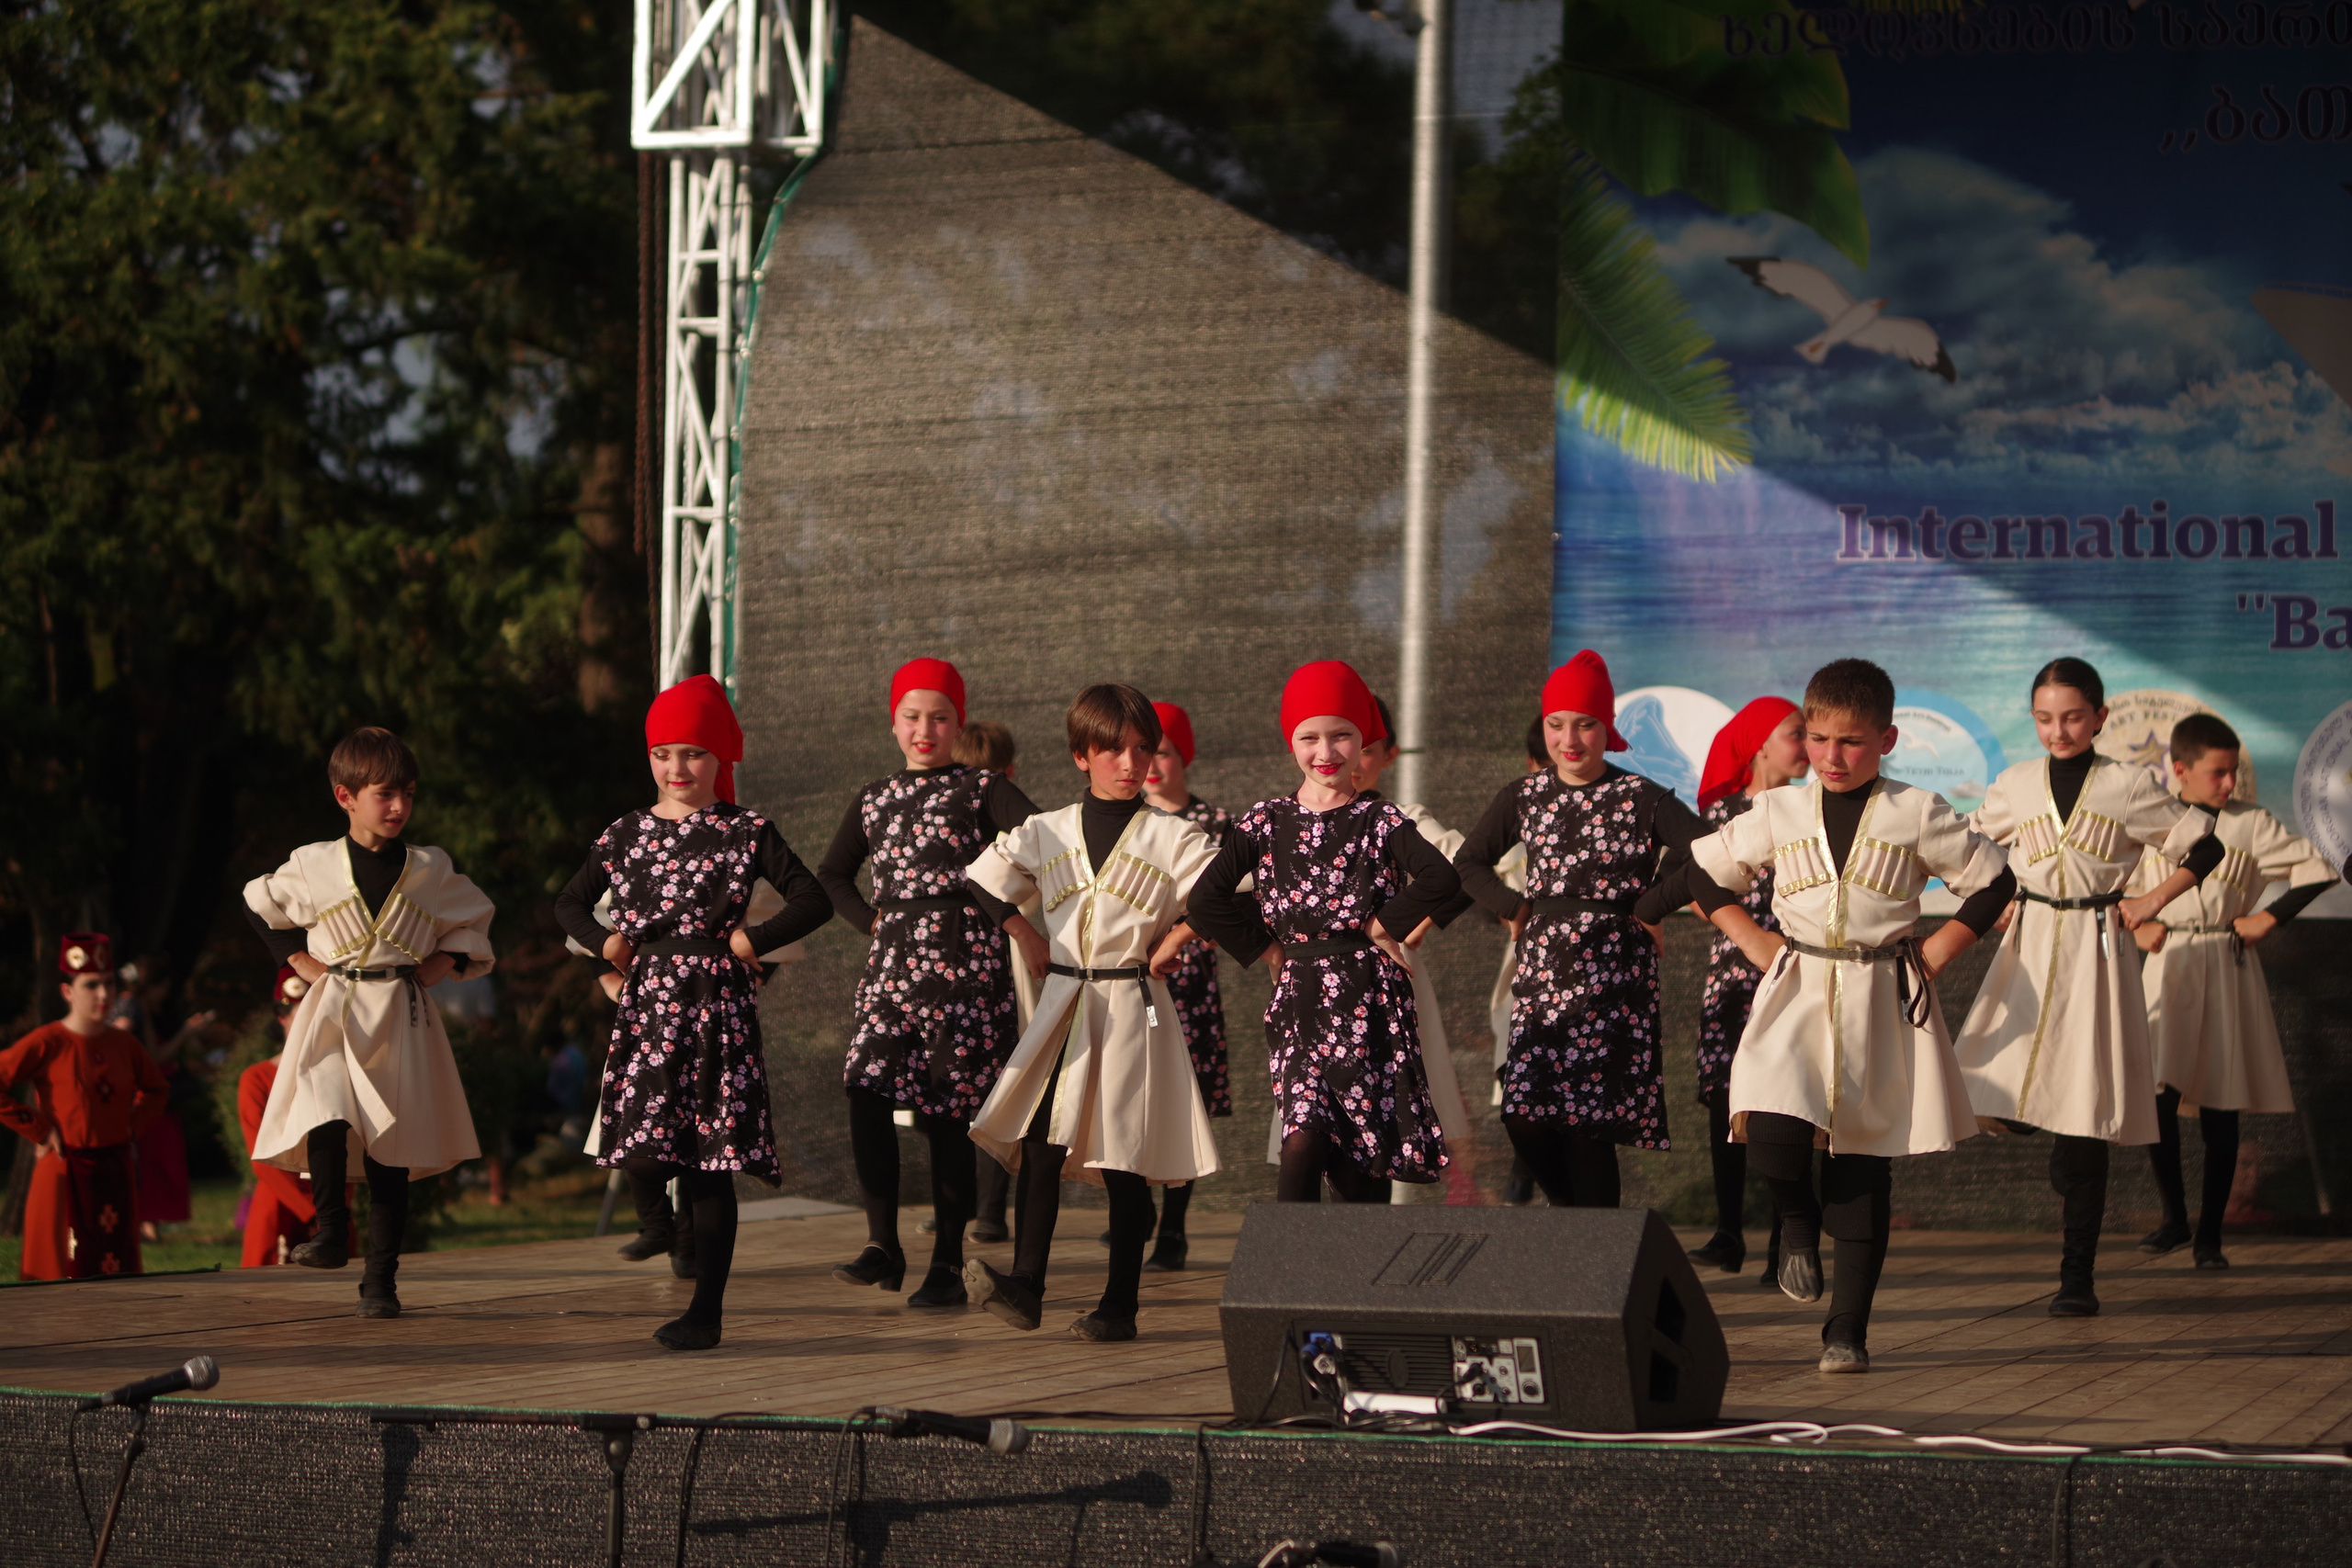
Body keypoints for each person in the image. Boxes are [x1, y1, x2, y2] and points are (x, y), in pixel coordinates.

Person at [1657, 659, 2015, 1374]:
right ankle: (1794, 1217)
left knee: (1859, 1163)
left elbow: (1994, 879)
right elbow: (1703, 871)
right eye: (1817, 738)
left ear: (1885, 739)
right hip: (1796, 987)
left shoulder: (1918, 810)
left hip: (1881, 995)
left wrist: (1941, 947)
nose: (1830, 755)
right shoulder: (1780, 809)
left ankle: (1846, 1328)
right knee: (1769, 1134)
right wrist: (1752, 938)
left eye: (1850, 741)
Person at [555, 675, 832, 1349]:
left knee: (711, 1162)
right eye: (664, 753)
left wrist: (750, 939)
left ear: (720, 760)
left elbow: (813, 898)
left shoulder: (745, 829)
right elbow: (567, 904)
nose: (678, 768)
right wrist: (607, 942)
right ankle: (664, 1227)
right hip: (649, 1002)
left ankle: (705, 1311)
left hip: (715, 1007)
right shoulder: (625, 832)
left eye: (695, 754)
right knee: (646, 1153)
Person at [1952, 660, 2223, 1315]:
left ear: (2100, 717)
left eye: (2072, 716)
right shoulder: (2016, 785)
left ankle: (2078, 1276)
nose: (2058, 729)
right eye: (2045, 717)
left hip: (2098, 952)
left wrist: (2150, 899)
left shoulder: (2128, 785)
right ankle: (2035, 1122)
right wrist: (1993, 904)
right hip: (2030, 941)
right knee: (1985, 1075)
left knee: (2086, 1112)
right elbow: (1959, 848)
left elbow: (2203, 848)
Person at [962, 685, 1222, 1340]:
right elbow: (981, 876)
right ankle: (1026, 1285)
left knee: (1119, 1157)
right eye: (1113, 748)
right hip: (1064, 1003)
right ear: (1082, 754)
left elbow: (1230, 891)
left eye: (1144, 749)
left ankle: (1120, 1305)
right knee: (1041, 1143)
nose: (1131, 762)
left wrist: (1178, 935)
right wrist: (1023, 932)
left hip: (1131, 1004)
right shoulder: (1046, 827)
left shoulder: (1174, 834)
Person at [1187, 660, 1463, 1202]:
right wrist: (1267, 951)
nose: (1326, 752)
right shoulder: (1265, 820)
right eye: (1309, 737)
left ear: (1364, 742)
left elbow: (1443, 877)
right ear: (1291, 742)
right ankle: (1280, 1278)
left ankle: (1357, 1280)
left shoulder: (1380, 820)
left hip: (1369, 1002)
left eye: (1342, 736)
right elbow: (1206, 897)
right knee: (1303, 1136)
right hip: (1300, 999)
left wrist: (1382, 925)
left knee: (1362, 1159)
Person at [245, 727, 497, 1319]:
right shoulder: (313, 863)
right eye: (385, 794)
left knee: (392, 1147)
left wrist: (446, 959)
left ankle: (380, 1281)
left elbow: (475, 916)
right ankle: (331, 1231)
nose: (399, 807)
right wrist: (295, 958)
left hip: (400, 1015)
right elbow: (260, 901)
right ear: (345, 797)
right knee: (325, 1109)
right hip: (333, 1007)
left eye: (408, 793)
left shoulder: (430, 867)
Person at [817, 658, 1040, 1307]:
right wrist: (871, 920)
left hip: (965, 968)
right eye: (912, 717)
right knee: (865, 1086)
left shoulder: (981, 788)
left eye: (939, 717)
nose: (925, 729)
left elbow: (1046, 842)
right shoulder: (875, 795)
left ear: (957, 723)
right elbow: (832, 874)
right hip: (891, 967)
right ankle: (883, 1243)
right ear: (893, 724)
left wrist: (1011, 919)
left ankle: (946, 1262)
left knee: (947, 1113)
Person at [1454, 650, 1705, 1210]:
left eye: (1586, 724)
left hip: (1614, 977)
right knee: (1523, 1116)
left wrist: (1651, 906)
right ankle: (1585, 1231)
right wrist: (1515, 908)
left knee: (1589, 1129)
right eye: (1556, 724)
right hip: (1545, 976)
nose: (1570, 740)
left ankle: (1600, 1262)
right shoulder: (1523, 796)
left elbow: (1707, 850)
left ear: (1607, 727)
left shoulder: (1641, 796)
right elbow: (1469, 863)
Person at [2131, 712, 2350, 1269]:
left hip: (2224, 964)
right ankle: (2174, 1218)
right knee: (2157, 1099)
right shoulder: (2151, 821)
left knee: (2220, 1103)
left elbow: (2319, 867)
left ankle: (2210, 1236)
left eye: (2233, 773)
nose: (2229, 784)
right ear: (2179, 769)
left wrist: (2269, 918)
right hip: (2167, 962)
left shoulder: (2249, 823)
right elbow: (2105, 885)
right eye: (2217, 773)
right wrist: (2137, 922)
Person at [1683, 695, 1808, 1277]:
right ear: (1760, 743)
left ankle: (1787, 1238)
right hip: (1733, 974)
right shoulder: (1722, 818)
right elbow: (1692, 885)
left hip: (1799, 973)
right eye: (1794, 734)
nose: (1807, 746)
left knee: (1792, 1099)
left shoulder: (1813, 810)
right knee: (1726, 1100)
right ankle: (1729, 1231)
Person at [1354, 694, 1478, 1201]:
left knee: (1384, 1117)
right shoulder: (1296, 818)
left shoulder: (1402, 816)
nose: (1349, 757)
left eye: (1366, 746)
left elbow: (1466, 867)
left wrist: (1419, 922)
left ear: (1391, 755)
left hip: (1389, 987)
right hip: (1319, 990)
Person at [0, 935, 167, 1280]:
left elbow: (156, 1090)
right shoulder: (48, 1041)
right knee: (58, 1281)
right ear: (67, 992)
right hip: (63, 1173)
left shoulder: (124, 1043)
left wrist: (132, 1126)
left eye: (108, 984)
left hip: (114, 1172)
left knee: (118, 1281)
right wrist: (38, 1128)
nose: (104, 995)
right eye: (91, 985)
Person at [1133, 699, 1230, 1269]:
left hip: (1189, 986)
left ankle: (1173, 1226)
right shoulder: (1125, 822)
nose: (1151, 764)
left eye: (1162, 751)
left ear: (1182, 756)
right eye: (1144, 751)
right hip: (1130, 983)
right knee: (1135, 1096)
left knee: (1182, 1097)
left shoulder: (1216, 824)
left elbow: (1236, 900)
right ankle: (1137, 1209)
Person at [949, 718, 1025, 1246]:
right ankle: (984, 1209)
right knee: (998, 1082)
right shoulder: (1009, 819)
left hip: (977, 959)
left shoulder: (943, 812)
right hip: (999, 960)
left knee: (963, 1086)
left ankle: (977, 1207)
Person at [239, 969, 357, 1268]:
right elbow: (261, 1156)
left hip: (332, 1205)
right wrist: (310, 1211)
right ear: (282, 1018)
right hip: (281, 1204)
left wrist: (336, 1209)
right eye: (300, 1014)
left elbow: (352, 1146)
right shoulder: (258, 1078)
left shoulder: (344, 1074)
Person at [1490, 718, 1544, 1205]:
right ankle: (1523, 1168)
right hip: (1525, 964)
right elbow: (1467, 866)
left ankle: (1537, 1177)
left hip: (1588, 967)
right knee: (1518, 1071)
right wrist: (1511, 907)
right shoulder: (1521, 812)